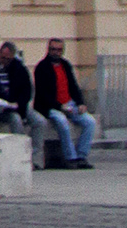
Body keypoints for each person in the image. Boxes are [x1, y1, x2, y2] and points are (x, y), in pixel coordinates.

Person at [33, 36, 97, 169]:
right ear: (48, 50)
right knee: (62, 122)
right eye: (53, 49)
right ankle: (70, 158)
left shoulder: (66, 65)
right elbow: (43, 95)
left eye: (59, 50)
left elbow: (73, 86)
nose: (56, 52)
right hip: (50, 107)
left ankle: (81, 156)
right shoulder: (42, 67)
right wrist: (60, 107)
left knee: (90, 122)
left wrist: (80, 103)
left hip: (69, 104)